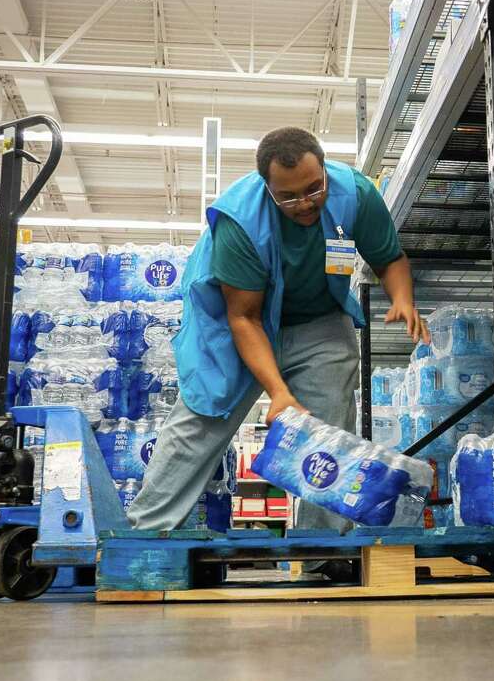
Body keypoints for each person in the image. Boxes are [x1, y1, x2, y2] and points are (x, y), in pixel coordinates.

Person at [127, 127, 429, 556]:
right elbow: (245, 317)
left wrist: (402, 299)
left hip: (318, 318)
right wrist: (279, 393)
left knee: (329, 430)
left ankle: (323, 550)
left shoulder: (356, 194)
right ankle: (143, 539)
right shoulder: (239, 220)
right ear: (268, 188)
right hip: (239, 324)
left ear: (324, 170)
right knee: (202, 418)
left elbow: (390, 258)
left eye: (314, 189)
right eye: (289, 196)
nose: (305, 204)